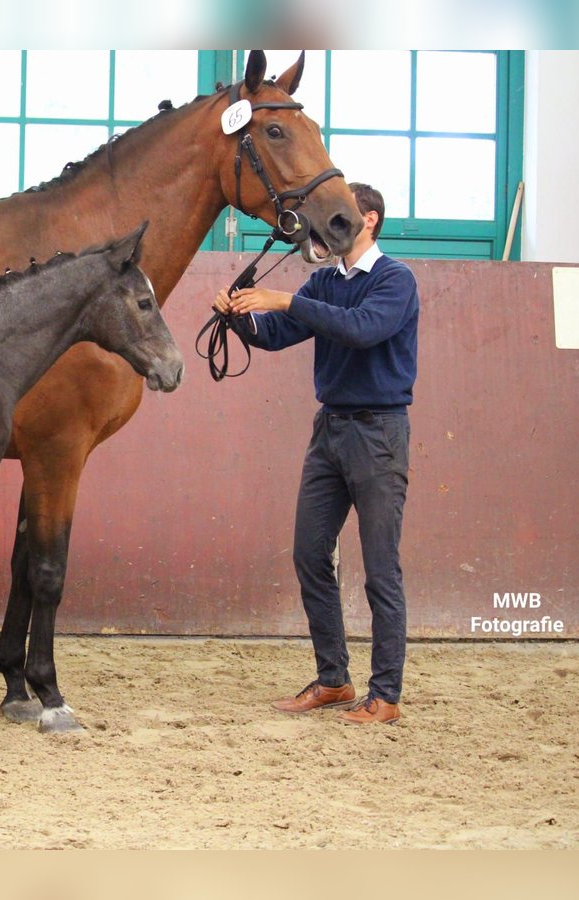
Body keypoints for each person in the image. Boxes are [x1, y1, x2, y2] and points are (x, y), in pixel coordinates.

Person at [215, 182, 418, 725]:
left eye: (341, 213)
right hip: (330, 430)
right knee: (310, 554)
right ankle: (334, 679)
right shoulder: (324, 281)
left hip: (379, 433)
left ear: (368, 219)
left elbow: (362, 330)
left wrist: (286, 299)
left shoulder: (395, 279)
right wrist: (238, 317)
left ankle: (387, 695)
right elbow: (278, 332)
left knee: (380, 568)